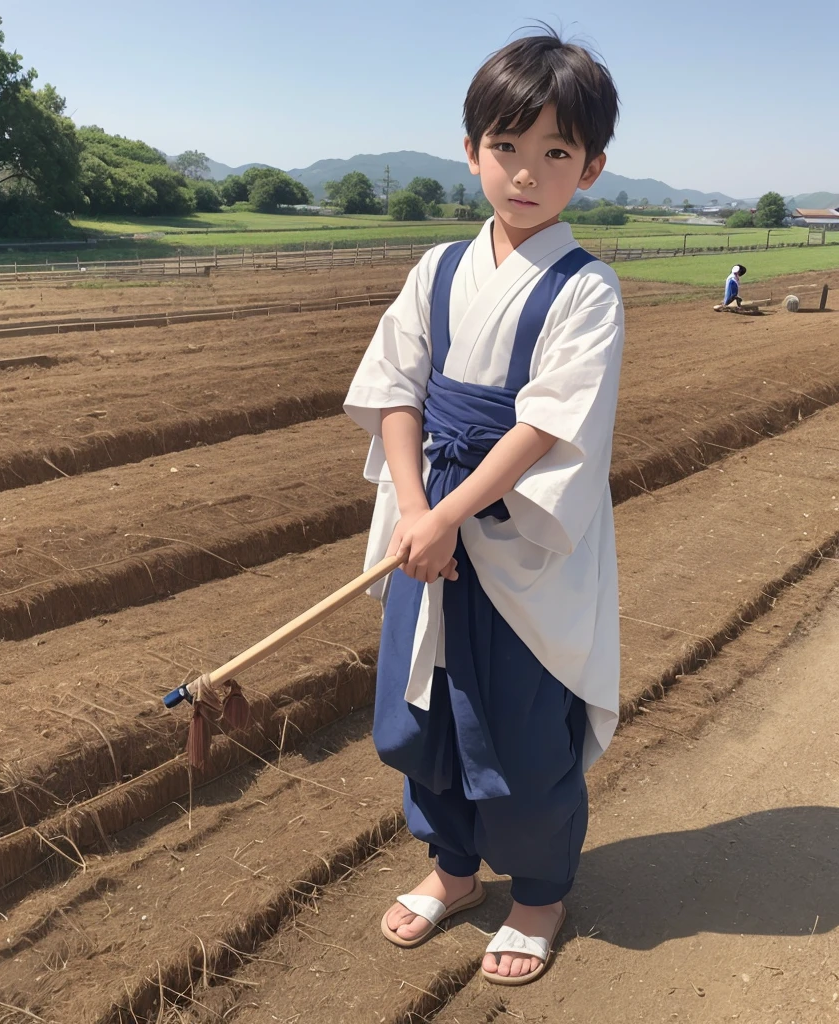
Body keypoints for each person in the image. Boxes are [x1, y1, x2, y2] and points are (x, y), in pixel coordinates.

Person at [344, 30, 623, 987]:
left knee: (518, 721)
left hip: (513, 546)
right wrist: (417, 511)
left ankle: (540, 889)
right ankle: (454, 868)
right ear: (472, 151)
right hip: (428, 534)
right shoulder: (439, 268)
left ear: (590, 168)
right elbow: (394, 389)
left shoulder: (587, 291)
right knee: (421, 714)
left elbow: (546, 424)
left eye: (557, 153)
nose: (527, 173)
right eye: (508, 147)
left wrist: (450, 512)